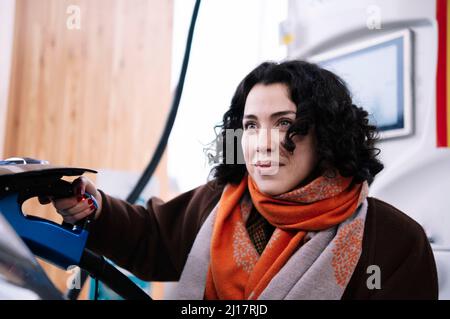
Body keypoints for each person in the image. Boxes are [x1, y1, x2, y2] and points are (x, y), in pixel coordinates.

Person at [48, 60, 438, 299]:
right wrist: (92, 208)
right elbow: (150, 237)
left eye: (284, 123)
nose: (262, 144)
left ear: (327, 133)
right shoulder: (219, 201)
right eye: (251, 126)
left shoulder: (395, 242)